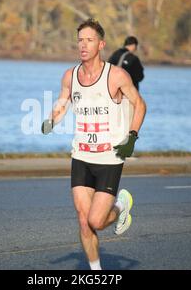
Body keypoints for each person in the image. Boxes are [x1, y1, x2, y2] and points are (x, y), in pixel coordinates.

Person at [41, 18, 146, 270]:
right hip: (81, 155)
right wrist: (51, 120)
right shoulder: (70, 75)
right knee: (83, 219)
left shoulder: (116, 75)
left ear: (101, 44)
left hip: (109, 158)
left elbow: (140, 105)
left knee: (97, 221)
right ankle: (96, 272)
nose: (83, 45)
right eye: (80, 40)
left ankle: (121, 206)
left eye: (89, 40)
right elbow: (63, 102)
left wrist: (131, 138)